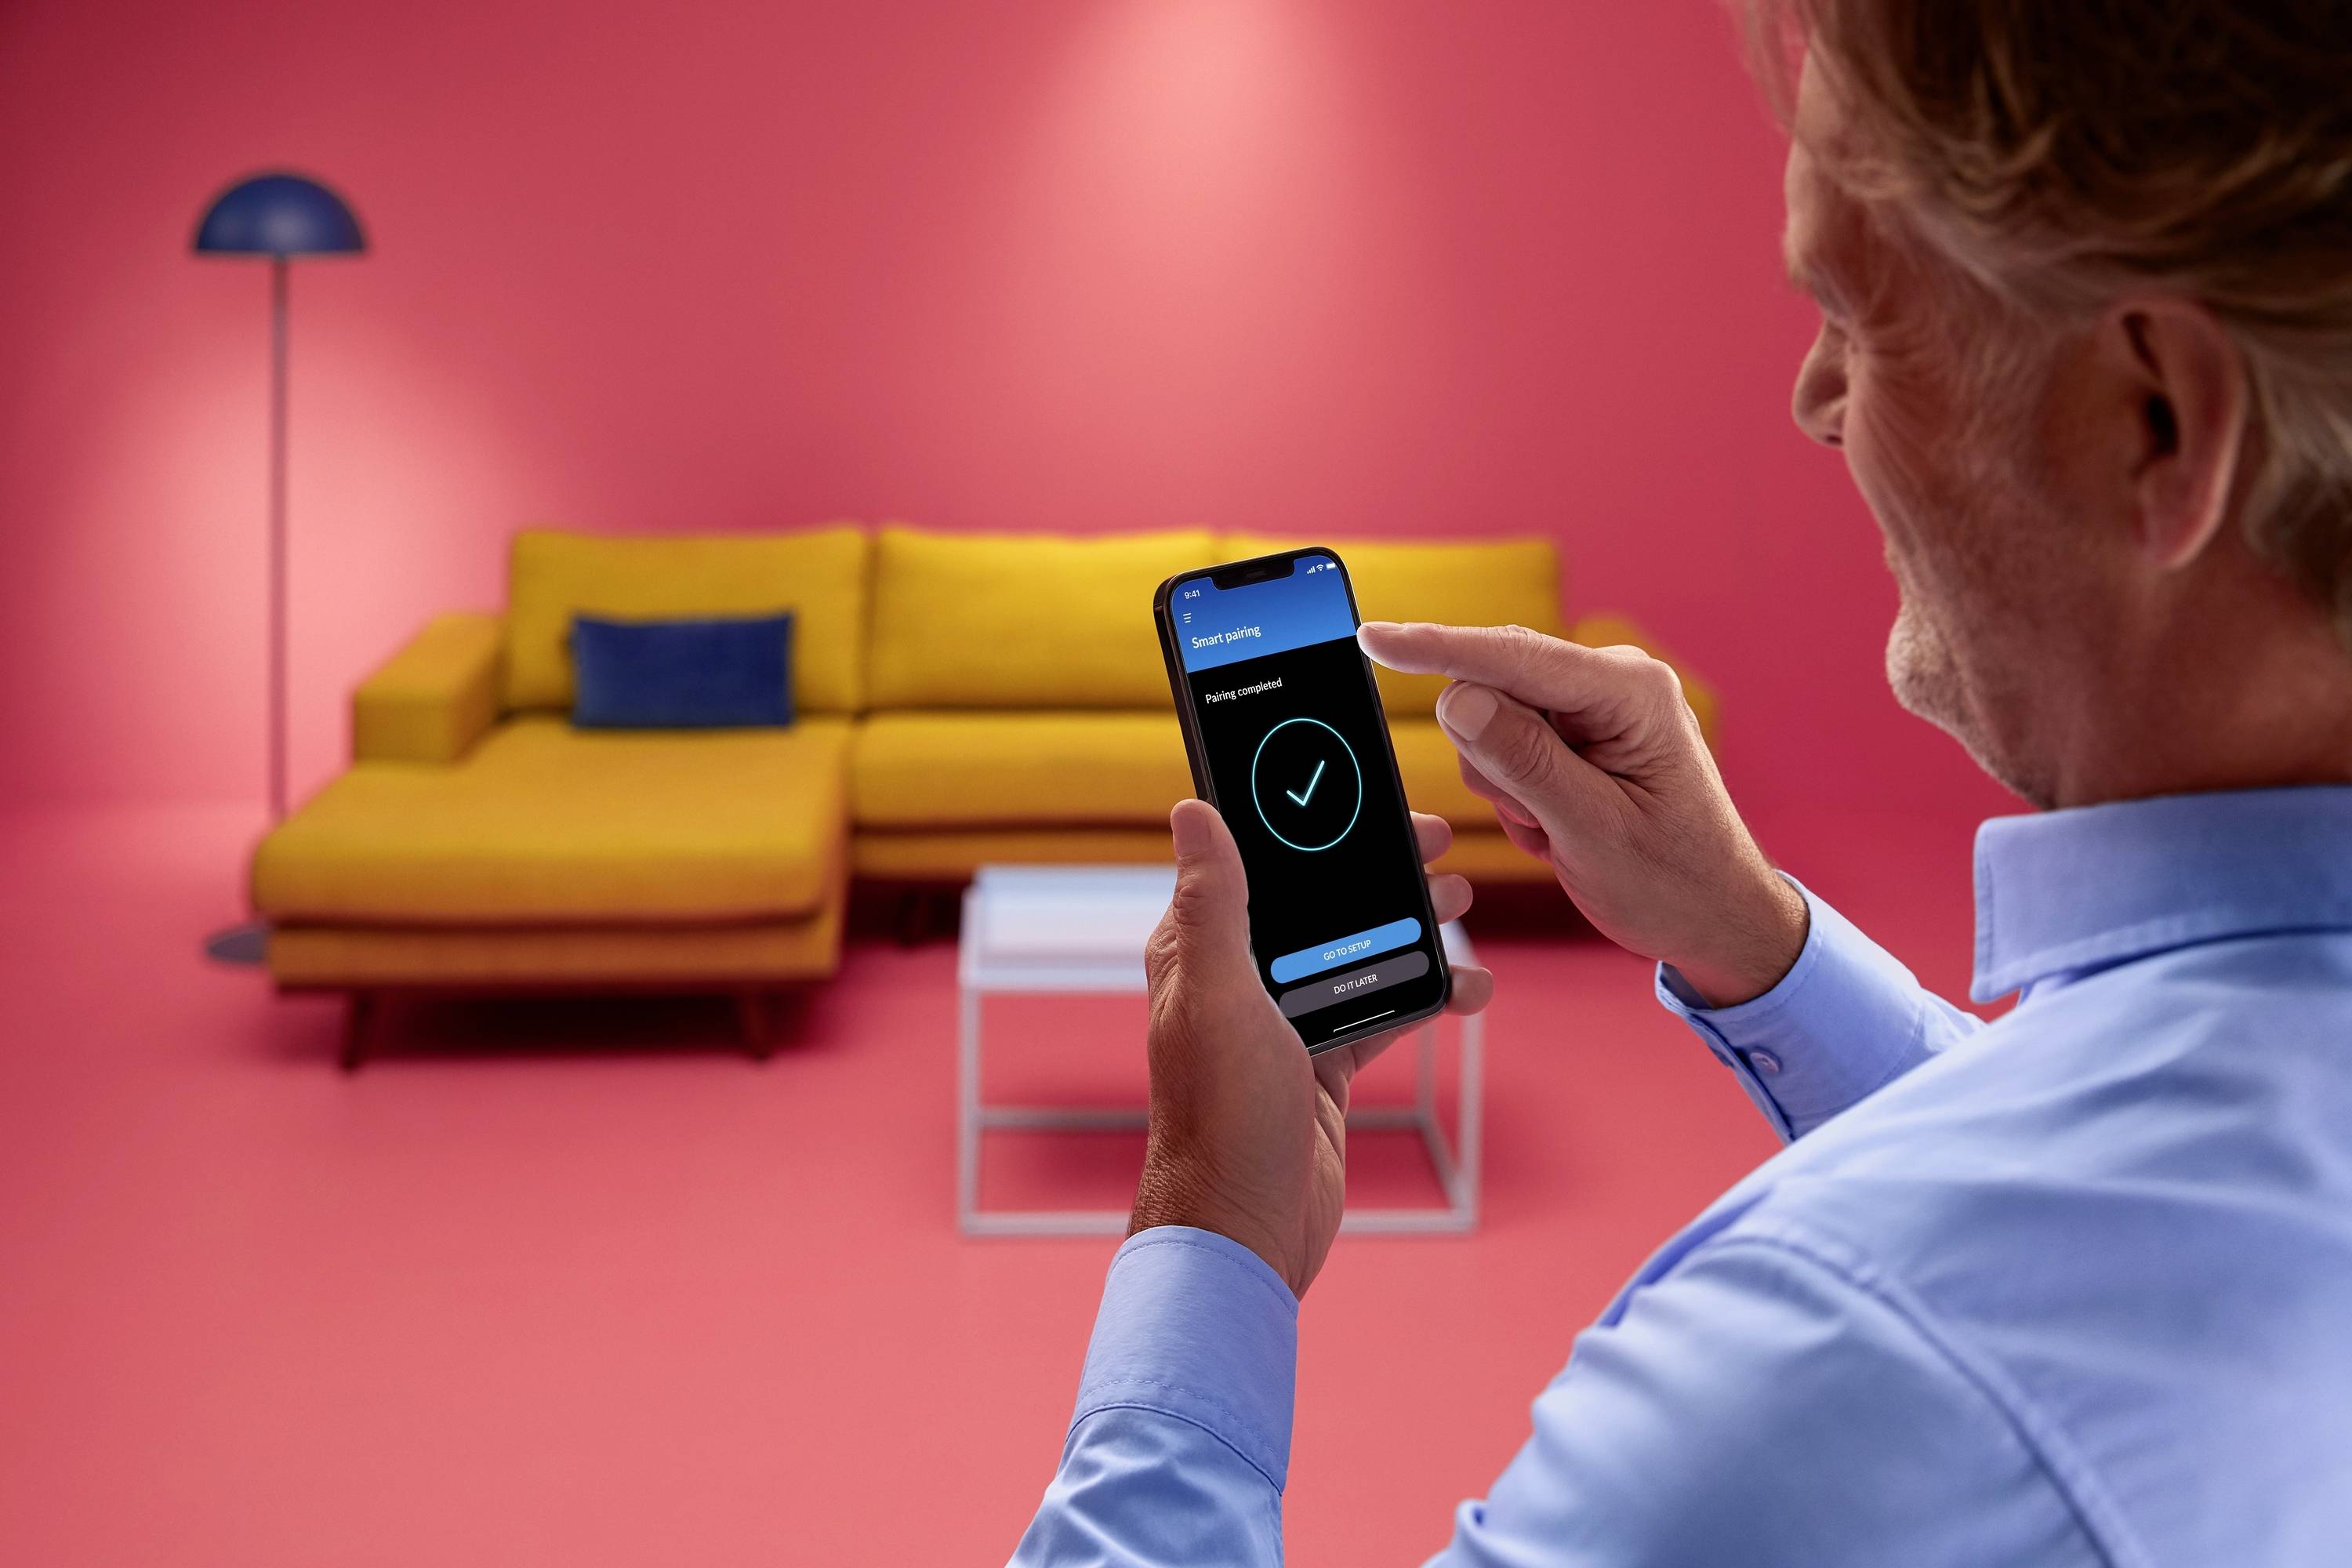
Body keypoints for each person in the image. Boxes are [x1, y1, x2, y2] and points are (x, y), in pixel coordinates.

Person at [1010, 2, 2352, 1562]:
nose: (1816, 396)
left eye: (1860, 306)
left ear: (2157, 422)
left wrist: (1207, 1229)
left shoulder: (1838, 1362)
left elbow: (2004, 1294)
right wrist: (1752, 940)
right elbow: (2138, 1239)